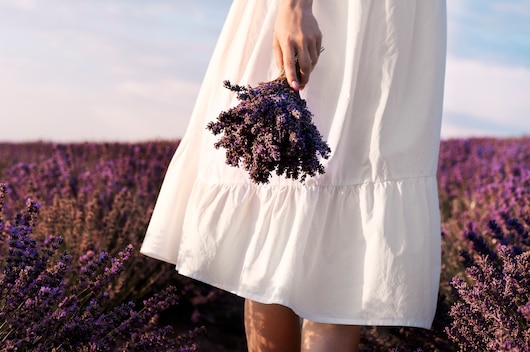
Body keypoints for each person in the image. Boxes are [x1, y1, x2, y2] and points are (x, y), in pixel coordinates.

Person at [141, 0, 447, 351]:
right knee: (276, 203)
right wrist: (294, 7)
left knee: (348, 227)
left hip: (390, 24)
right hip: (335, 11)